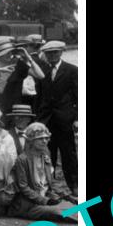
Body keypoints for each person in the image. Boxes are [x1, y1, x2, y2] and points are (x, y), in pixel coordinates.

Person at [10, 123, 79, 221]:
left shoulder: (45, 157)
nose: (44, 141)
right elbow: (23, 187)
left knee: (76, 207)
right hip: (30, 204)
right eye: (40, 138)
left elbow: (51, 182)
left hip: (48, 197)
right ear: (31, 141)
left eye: (46, 138)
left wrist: (68, 196)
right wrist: (45, 201)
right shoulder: (22, 159)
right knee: (61, 212)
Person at [36, 40, 77, 193]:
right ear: (45, 55)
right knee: (47, 153)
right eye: (48, 53)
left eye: (55, 52)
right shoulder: (42, 72)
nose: (52, 56)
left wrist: (76, 118)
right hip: (46, 120)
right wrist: (38, 119)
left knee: (68, 153)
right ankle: (48, 186)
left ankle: (74, 186)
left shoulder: (72, 70)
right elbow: (39, 97)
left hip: (65, 119)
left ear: (61, 52)